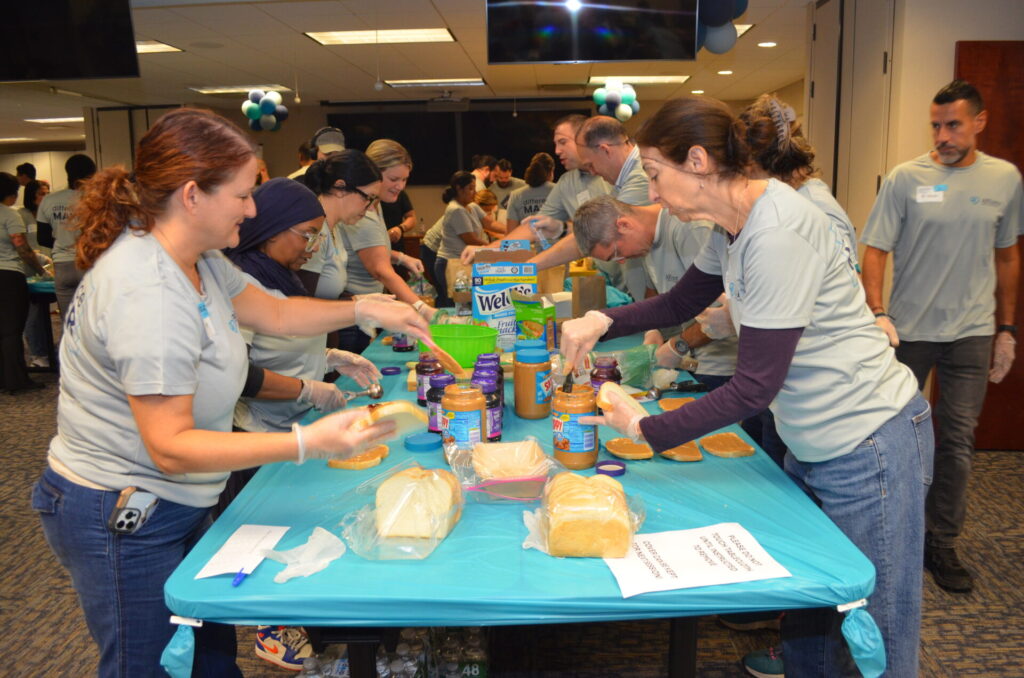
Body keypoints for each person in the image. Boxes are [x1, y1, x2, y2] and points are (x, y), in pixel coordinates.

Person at [30, 108, 430, 678]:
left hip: (179, 500)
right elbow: (171, 445)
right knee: (150, 665)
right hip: (125, 506)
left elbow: (275, 312)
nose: (253, 208)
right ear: (193, 195)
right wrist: (306, 441)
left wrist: (365, 307)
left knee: (206, 657)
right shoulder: (148, 292)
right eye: (244, 195)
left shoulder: (201, 260)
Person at [560, 96, 932, 678]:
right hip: (813, 437)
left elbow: (755, 386)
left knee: (871, 628)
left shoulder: (778, 231)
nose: (652, 193)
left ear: (700, 161)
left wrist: (646, 429)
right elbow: (684, 300)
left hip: (866, 439)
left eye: (656, 175)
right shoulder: (732, 225)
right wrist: (603, 321)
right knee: (809, 608)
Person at [861, 80, 1022, 594]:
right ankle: (895, 532)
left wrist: (1007, 330)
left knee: (957, 441)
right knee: (896, 438)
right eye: (936, 124)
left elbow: (1008, 255)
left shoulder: (1005, 178)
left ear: (979, 121)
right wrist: (879, 312)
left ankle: (942, 541)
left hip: (972, 333)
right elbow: (875, 250)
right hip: (909, 332)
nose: (943, 135)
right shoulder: (907, 178)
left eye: (953, 124)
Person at [222, 177, 380, 671]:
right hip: (258, 434)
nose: (313, 247)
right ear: (268, 231)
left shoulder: (280, 274)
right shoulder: (241, 282)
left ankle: (300, 616)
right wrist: (309, 389)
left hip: (291, 429)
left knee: (296, 526)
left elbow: (286, 341)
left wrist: (331, 356)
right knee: (266, 534)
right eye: (306, 234)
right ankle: (271, 630)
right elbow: (242, 375)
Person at [460, 114, 610, 263]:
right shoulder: (567, 182)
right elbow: (535, 228)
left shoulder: (614, 174)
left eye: (563, 142)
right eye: (556, 144)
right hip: (602, 273)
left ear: (584, 139)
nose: (557, 150)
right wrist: (491, 249)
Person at [338, 139, 432, 345]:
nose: (400, 186)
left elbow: (368, 249)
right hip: (352, 313)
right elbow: (380, 270)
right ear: (373, 173)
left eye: (405, 180)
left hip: (363, 309)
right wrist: (421, 307)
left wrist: (400, 257)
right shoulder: (364, 212)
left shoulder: (375, 205)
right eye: (394, 179)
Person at [1, 171, 47, 394]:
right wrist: (41, 270)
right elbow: (22, 248)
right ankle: (16, 381)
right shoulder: (10, 215)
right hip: (8, 276)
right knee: (12, 330)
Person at [36, 153, 96, 321]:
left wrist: (63, 241)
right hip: (87, 262)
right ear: (91, 174)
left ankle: (67, 347)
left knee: (69, 321)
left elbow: (43, 238)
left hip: (62, 265)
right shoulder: (94, 199)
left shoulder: (49, 200)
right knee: (91, 319)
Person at [435, 171, 488, 307]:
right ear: (459, 188)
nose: (474, 192)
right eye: (470, 188)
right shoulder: (456, 209)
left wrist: (510, 232)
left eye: (474, 188)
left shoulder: (471, 206)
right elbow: (471, 239)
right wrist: (494, 245)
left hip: (462, 262)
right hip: (450, 263)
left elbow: (490, 223)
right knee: (457, 305)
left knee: (466, 303)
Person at [20, 179, 53, 368]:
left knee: (43, 314)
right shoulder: (21, 216)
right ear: (32, 196)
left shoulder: (47, 214)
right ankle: (37, 355)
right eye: (42, 194)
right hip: (28, 270)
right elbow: (22, 245)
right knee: (32, 316)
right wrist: (38, 258)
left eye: (48, 193)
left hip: (47, 270)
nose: (45, 197)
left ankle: (47, 351)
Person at [505, 152, 556, 231]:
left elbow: (511, 234)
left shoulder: (516, 195)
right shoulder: (560, 190)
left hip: (527, 242)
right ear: (551, 171)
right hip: (558, 242)